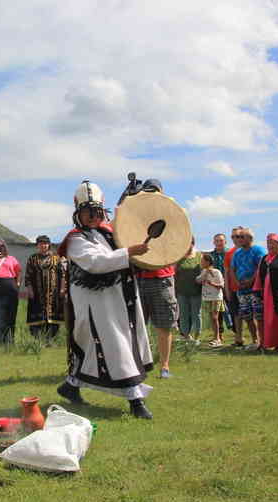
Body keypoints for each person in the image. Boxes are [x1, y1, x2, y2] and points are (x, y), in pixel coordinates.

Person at [56, 180, 154, 419]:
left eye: (96, 212)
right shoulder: (76, 239)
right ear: (79, 213)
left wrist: (132, 199)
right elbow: (97, 262)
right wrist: (129, 252)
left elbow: (128, 227)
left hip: (120, 298)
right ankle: (136, 400)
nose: (92, 217)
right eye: (87, 212)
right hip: (95, 305)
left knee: (101, 348)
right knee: (116, 347)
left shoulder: (111, 233)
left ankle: (71, 385)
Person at [135, 179, 178, 378]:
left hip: (162, 277)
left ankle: (165, 366)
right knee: (137, 325)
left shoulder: (171, 214)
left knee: (164, 324)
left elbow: (179, 239)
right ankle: (138, 365)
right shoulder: (135, 217)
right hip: (140, 277)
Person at [24, 235, 67, 343]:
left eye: (45, 243)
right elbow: (28, 276)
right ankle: (38, 339)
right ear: (37, 245)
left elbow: (62, 274)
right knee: (37, 313)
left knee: (53, 315)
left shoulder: (56, 258)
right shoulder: (32, 259)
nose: (43, 245)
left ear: (49, 245)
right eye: (40, 243)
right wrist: (30, 290)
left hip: (54, 292)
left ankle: (51, 339)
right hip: (37, 293)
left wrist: (62, 288)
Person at [231, 228, 265, 350]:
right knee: (247, 316)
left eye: (242, 237)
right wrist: (237, 283)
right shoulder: (237, 253)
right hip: (242, 290)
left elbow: (261, 266)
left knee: (259, 315)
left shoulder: (258, 250)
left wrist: (251, 280)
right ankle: (255, 340)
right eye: (238, 237)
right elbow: (232, 269)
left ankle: (263, 341)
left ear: (250, 238)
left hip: (255, 289)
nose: (239, 239)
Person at [174, 239, 202, 343]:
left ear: (193, 244)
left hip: (196, 291)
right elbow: (175, 274)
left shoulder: (199, 256)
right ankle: (185, 336)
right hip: (181, 291)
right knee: (183, 314)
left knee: (196, 315)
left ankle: (196, 337)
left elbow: (204, 271)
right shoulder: (178, 257)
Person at [196, 253, 225, 347]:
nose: (201, 262)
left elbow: (221, 285)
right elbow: (197, 280)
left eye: (202, 261)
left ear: (208, 262)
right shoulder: (203, 271)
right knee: (211, 318)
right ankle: (215, 338)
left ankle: (217, 339)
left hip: (216, 297)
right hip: (207, 297)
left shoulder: (216, 272)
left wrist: (211, 283)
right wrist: (205, 275)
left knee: (214, 317)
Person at [209, 233, 232, 336]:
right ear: (214, 242)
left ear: (225, 242)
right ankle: (219, 336)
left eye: (221, 240)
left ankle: (236, 334)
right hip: (214, 286)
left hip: (229, 285)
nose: (219, 243)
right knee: (217, 313)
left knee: (231, 308)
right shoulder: (210, 256)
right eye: (217, 241)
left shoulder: (230, 253)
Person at [224, 227, 243, 346]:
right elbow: (226, 273)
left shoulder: (251, 250)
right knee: (236, 314)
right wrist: (227, 290)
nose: (236, 239)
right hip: (234, 288)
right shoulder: (229, 253)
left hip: (249, 288)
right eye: (233, 236)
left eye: (238, 236)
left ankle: (257, 339)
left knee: (252, 315)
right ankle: (238, 338)